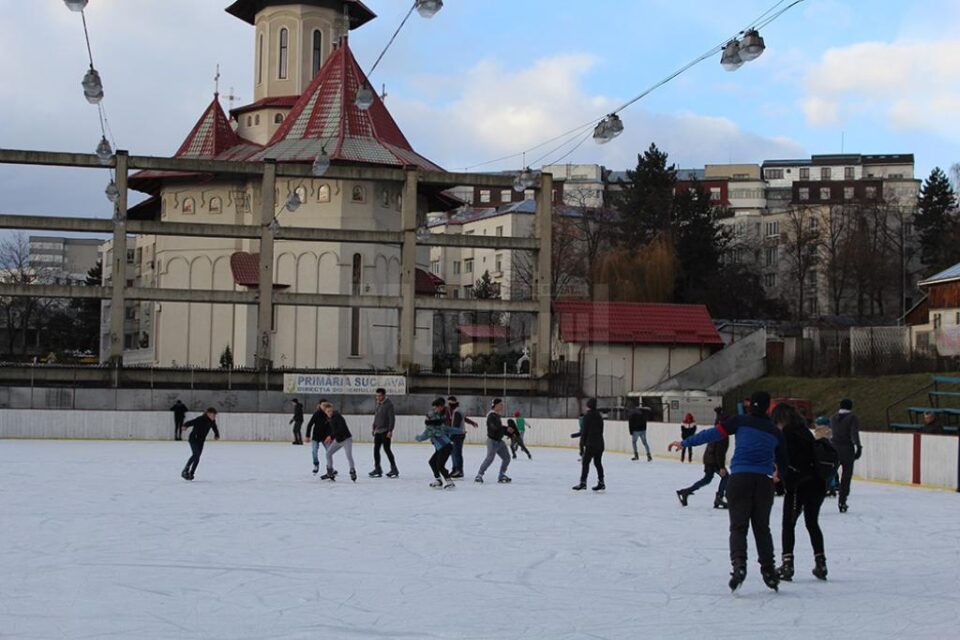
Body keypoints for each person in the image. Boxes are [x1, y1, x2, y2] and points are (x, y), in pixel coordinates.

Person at [669, 391, 787, 592]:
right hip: (763, 483)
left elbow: (713, 434)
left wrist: (685, 442)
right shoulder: (775, 432)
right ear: (769, 408)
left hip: (740, 479)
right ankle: (769, 572)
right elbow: (784, 460)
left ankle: (739, 567)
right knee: (762, 529)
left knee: (738, 528)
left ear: (750, 405)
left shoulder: (740, 421)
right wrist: (779, 475)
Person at [771, 402, 828, 582]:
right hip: (818, 484)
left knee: (788, 523)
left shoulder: (786, 434)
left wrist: (778, 481)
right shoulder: (805, 432)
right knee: (812, 523)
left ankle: (787, 564)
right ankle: (821, 563)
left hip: (798, 485)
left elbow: (784, 461)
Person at [676, 430, 729, 509]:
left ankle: (686, 492)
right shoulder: (723, 434)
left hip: (709, 459)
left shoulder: (716, 432)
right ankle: (719, 497)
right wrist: (721, 467)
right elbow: (719, 452)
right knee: (726, 477)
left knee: (707, 479)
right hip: (713, 460)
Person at [415, 398, 457, 489]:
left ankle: (450, 482)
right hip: (441, 447)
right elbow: (447, 428)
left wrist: (418, 438)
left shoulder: (433, 427)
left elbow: (426, 435)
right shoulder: (436, 423)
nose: (435, 410)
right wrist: (459, 431)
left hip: (445, 446)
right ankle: (438, 480)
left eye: (436, 408)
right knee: (432, 462)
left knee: (440, 465)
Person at [830, 399, 862, 513]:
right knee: (846, 476)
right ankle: (842, 501)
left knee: (829, 474)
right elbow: (854, 433)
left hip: (834, 448)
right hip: (847, 449)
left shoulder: (833, 417)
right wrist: (859, 447)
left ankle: (812, 497)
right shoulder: (852, 418)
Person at [475, 398, 513, 484]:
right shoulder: (491, 416)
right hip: (492, 441)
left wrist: (507, 430)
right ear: (495, 405)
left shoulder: (496, 415)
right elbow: (493, 428)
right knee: (489, 459)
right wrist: (505, 429)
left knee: (506, 458)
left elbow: (498, 428)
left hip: (499, 441)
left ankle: (501, 475)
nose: (502, 406)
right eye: (500, 404)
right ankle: (479, 475)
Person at [572, 398, 605, 491]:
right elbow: (601, 430)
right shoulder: (599, 416)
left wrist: (581, 447)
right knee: (598, 463)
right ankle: (601, 482)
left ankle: (583, 483)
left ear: (588, 406)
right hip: (600, 443)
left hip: (591, 444)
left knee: (586, 463)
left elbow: (584, 432)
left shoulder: (587, 416)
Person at [180, 407, 220, 481]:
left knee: (197, 457)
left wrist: (216, 434)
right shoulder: (200, 419)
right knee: (196, 454)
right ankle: (185, 470)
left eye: (215, 415)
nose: (214, 417)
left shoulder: (212, 421)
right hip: (193, 439)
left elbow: (214, 427)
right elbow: (191, 422)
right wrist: (185, 425)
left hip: (201, 441)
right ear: (208, 414)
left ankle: (191, 473)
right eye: (213, 415)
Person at [322, 404, 357, 482]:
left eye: (331, 411)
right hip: (338, 440)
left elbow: (341, 428)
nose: (330, 412)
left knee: (348, 455)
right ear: (325, 412)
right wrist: (330, 436)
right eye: (328, 411)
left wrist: (331, 436)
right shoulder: (329, 418)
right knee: (328, 453)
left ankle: (352, 470)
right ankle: (330, 471)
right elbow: (333, 430)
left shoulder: (338, 417)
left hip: (346, 439)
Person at [370, 388, 399, 478]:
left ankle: (394, 469)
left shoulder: (388, 405)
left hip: (385, 430)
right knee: (376, 450)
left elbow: (392, 418)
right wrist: (374, 427)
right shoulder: (378, 405)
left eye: (379, 396)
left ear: (384, 395)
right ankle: (377, 468)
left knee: (387, 449)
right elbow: (376, 417)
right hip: (378, 431)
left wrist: (390, 430)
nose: (377, 397)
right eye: (377, 395)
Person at [447, 396, 477, 478]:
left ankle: (459, 471)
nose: (449, 405)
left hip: (457, 435)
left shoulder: (456, 412)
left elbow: (456, 425)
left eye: (450, 403)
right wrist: (472, 423)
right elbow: (465, 419)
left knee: (456, 453)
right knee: (454, 453)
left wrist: (451, 436)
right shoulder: (455, 411)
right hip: (457, 434)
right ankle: (455, 469)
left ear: (454, 403)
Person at [306, 400, 331, 475]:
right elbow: (310, 424)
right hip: (316, 436)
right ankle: (316, 464)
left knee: (329, 452)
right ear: (319, 405)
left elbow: (332, 426)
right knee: (314, 451)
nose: (324, 406)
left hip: (325, 437)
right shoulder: (316, 414)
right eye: (323, 405)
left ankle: (330, 467)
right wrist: (307, 435)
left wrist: (330, 436)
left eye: (325, 405)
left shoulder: (329, 414)